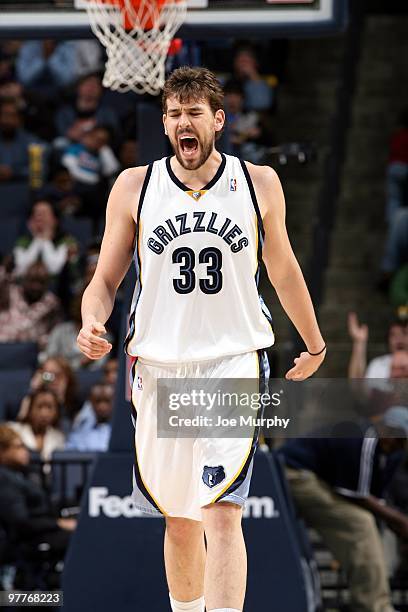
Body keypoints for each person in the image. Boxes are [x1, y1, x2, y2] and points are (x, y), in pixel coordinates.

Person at [77, 67, 326, 612]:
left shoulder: (257, 182)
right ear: (164, 123)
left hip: (232, 359)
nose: (182, 122)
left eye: (193, 112)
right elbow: (104, 282)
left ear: (218, 119)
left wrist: (314, 343)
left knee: (221, 510)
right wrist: (91, 321)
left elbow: (282, 269)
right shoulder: (134, 187)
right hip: (159, 367)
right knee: (182, 518)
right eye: (173, 113)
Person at [279, 407, 408, 612]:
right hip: (293, 472)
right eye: (395, 435)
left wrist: (397, 525)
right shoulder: (364, 437)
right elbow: (354, 494)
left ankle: (376, 600)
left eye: (403, 440)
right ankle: (374, 606)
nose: (397, 443)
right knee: (359, 522)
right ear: (383, 427)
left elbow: (377, 500)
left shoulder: (392, 454)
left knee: (370, 522)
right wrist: (400, 521)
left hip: (320, 479)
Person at [0, 424, 75, 586]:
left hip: (39, 532)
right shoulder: (4, 479)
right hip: (26, 539)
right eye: (18, 447)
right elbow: (20, 521)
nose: (25, 451)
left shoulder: (20, 474)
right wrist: (58, 524)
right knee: (79, 540)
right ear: (2, 451)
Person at [13, 199, 80, 278]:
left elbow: (54, 269)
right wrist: (38, 239)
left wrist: (46, 240)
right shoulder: (23, 242)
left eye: (44, 214)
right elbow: (22, 269)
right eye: (36, 214)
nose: (39, 218)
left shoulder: (67, 241)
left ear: (55, 220)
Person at [0, 261, 61, 348]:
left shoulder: (52, 303)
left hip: (30, 350)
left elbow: (55, 331)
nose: (36, 286)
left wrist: (40, 343)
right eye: (32, 281)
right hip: (4, 344)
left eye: (41, 282)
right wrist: (4, 270)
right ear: (24, 279)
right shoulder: (9, 292)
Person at [8, 388, 65, 461]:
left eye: (49, 407)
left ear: (56, 412)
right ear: (29, 409)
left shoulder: (59, 437)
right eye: (39, 406)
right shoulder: (13, 430)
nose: (44, 413)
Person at [348, 313, 407, 379]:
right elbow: (357, 383)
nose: (399, 339)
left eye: (404, 333)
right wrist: (359, 343)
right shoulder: (378, 365)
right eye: (393, 335)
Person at [65, 383, 114, 452]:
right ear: (91, 402)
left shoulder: (124, 430)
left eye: (107, 401)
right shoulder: (79, 429)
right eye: (98, 401)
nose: (102, 406)